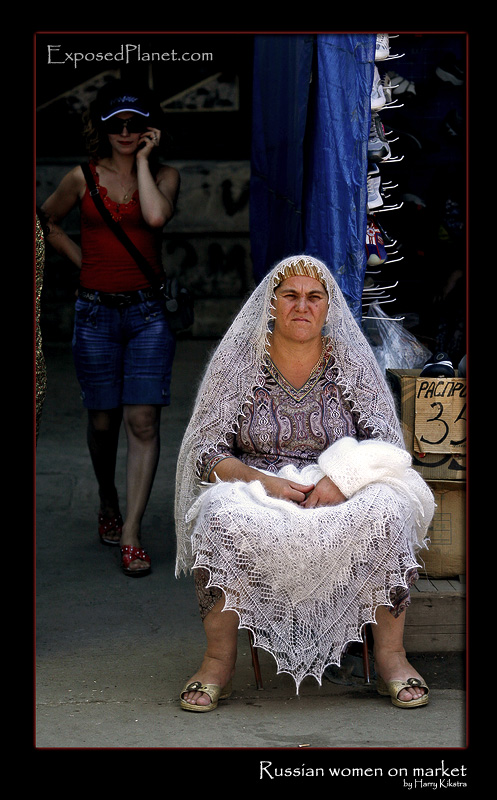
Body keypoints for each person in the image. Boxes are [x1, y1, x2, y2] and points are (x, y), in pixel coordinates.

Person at [175, 254, 435, 710]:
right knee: (216, 514)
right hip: (258, 489)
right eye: (290, 295)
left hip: (336, 490)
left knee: (390, 509)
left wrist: (343, 479)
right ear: (271, 304)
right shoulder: (240, 364)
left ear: (328, 307)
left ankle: (392, 656)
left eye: (315, 297)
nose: (302, 306)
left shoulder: (350, 363)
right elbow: (206, 452)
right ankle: (217, 660)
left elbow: (390, 443)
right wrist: (263, 482)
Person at [41, 80, 180, 576]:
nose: (126, 132)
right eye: (117, 124)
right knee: (102, 422)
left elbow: (156, 215)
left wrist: (142, 161)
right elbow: (47, 220)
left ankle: (131, 533)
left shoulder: (165, 175)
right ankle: (107, 497)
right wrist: (84, 263)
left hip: (147, 315)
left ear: (149, 128)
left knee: (142, 421)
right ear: (103, 126)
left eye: (135, 124)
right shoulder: (81, 178)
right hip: (95, 313)